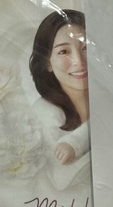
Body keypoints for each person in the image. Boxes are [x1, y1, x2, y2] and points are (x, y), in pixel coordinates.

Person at [29, 9, 90, 166]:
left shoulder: (110, 98)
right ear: (47, 62)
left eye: (86, 48)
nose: (79, 61)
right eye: (64, 52)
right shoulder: (45, 113)